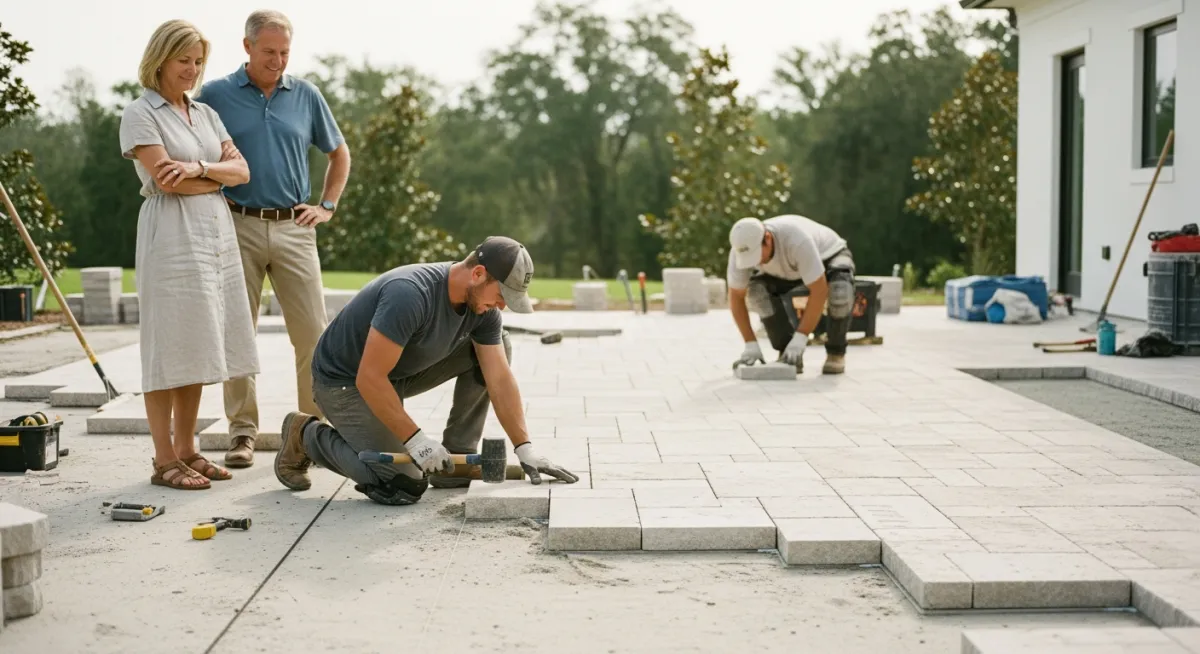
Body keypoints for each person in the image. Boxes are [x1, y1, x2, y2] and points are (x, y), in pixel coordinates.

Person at [271, 237, 579, 505]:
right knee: (401, 483)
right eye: (501, 296)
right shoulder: (409, 294)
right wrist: (416, 441)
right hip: (345, 381)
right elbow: (370, 378)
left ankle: (457, 459)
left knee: (499, 345)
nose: (501, 306)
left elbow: (499, 378)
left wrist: (525, 448)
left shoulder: (483, 309)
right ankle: (306, 435)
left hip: (394, 373)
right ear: (478, 274)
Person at [197, 9, 352, 469]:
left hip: (295, 227)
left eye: (285, 52)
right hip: (236, 225)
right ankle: (242, 432)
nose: (278, 61)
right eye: (269, 51)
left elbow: (339, 153)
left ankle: (311, 433)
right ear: (247, 47)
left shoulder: (306, 95)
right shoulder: (215, 95)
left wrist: (326, 206)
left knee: (312, 335)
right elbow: (193, 149)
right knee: (237, 333)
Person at [119, 19, 260, 490]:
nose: (193, 69)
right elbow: (165, 181)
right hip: (170, 235)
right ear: (160, 59)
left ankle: (187, 449)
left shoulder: (205, 114)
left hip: (214, 236)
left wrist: (199, 168)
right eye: (184, 60)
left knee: (197, 342)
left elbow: (243, 172)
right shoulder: (140, 113)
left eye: (198, 61)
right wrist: (215, 177)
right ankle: (164, 460)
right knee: (167, 344)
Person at [726, 214, 857, 375]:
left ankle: (836, 352)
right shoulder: (740, 249)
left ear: (767, 239)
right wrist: (750, 344)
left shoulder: (797, 240)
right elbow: (736, 296)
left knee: (840, 291)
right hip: (787, 270)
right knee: (756, 293)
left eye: (756, 255)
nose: (755, 262)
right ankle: (788, 354)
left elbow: (819, 290)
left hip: (828, 255)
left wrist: (801, 338)